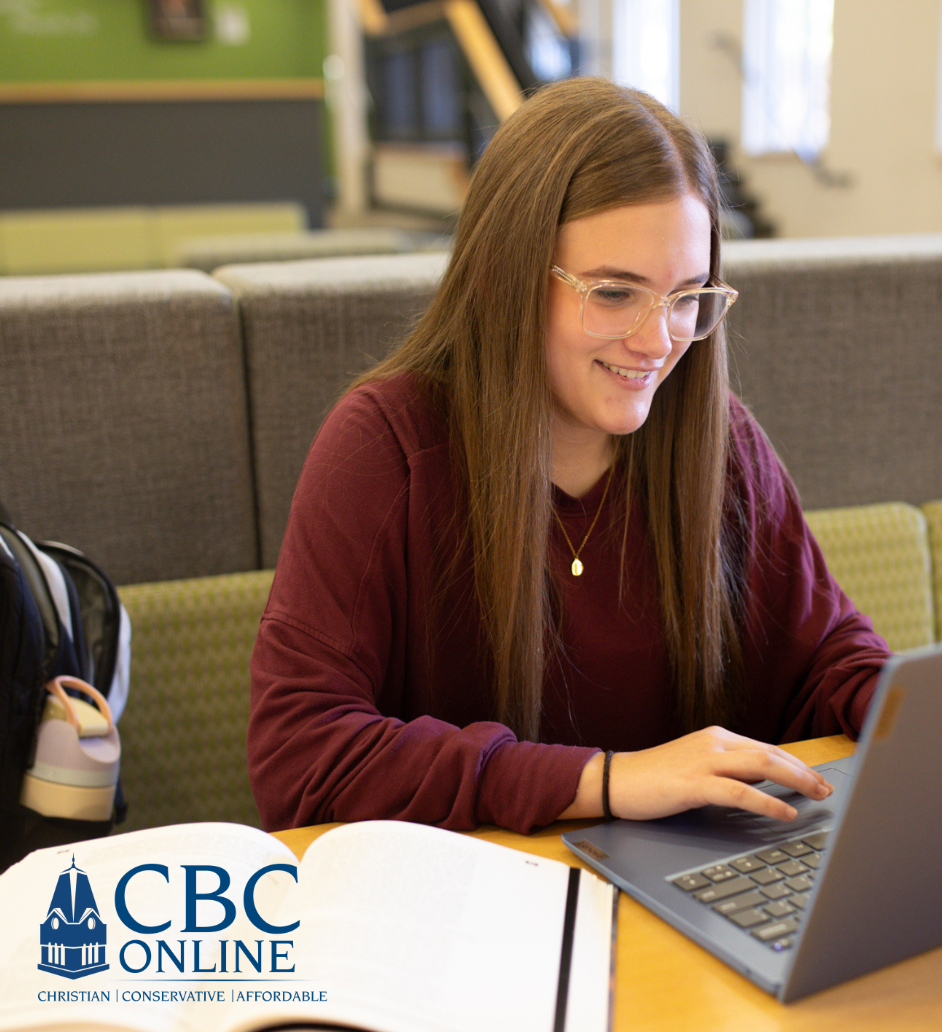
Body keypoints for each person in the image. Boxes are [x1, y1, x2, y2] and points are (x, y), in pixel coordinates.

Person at [248, 78, 891, 835]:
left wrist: (918, 708)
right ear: (504, 278)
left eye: (687, 296)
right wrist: (607, 781)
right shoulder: (387, 448)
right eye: (615, 293)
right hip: (473, 906)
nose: (659, 341)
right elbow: (302, 758)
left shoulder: (719, 441)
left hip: (681, 889)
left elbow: (824, 657)